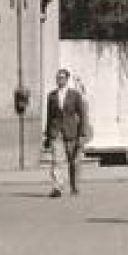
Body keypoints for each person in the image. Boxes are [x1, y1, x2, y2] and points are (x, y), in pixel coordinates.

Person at [43, 68, 91, 198]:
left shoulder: (75, 95)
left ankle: (74, 186)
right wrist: (47, 135)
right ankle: (57, 187)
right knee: (56, 161)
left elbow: (82, 115)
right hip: (56, 132)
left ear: (67, 79)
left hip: (72, 132)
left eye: (62, 78)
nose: (59, 80)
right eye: (58, 78)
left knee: (73, 161)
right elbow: (49, 116)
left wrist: (82, 134)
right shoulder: (51, 95)